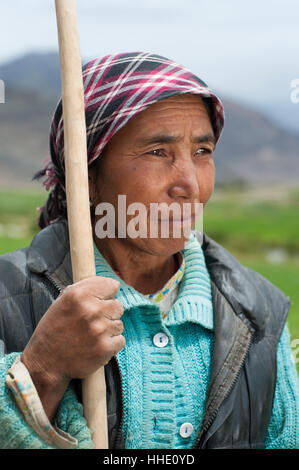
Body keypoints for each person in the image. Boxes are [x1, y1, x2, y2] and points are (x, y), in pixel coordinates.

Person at [0, 52, 298, 450]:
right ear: (87, 176)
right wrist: (44, 369)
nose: (189, 185)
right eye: (158, 152)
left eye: (202, 152)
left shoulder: (259, 313)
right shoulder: (8, 299)